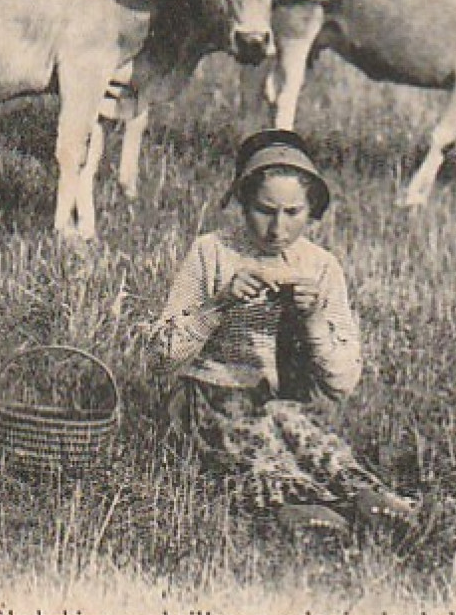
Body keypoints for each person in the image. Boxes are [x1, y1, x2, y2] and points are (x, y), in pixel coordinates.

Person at [151, 129, 418, 537]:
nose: (278, 228)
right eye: (264, 210)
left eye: (293, 212)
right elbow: (162, 356)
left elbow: (343, 381)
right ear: (242, 203)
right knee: (252, 442)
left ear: (312, 210)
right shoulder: (212, 252)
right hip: (209, 396)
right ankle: (298, 507)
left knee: (309, 438)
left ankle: (368, 502)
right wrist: (219, 304)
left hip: (279, 398)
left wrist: (312, 320)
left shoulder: (321, 266)